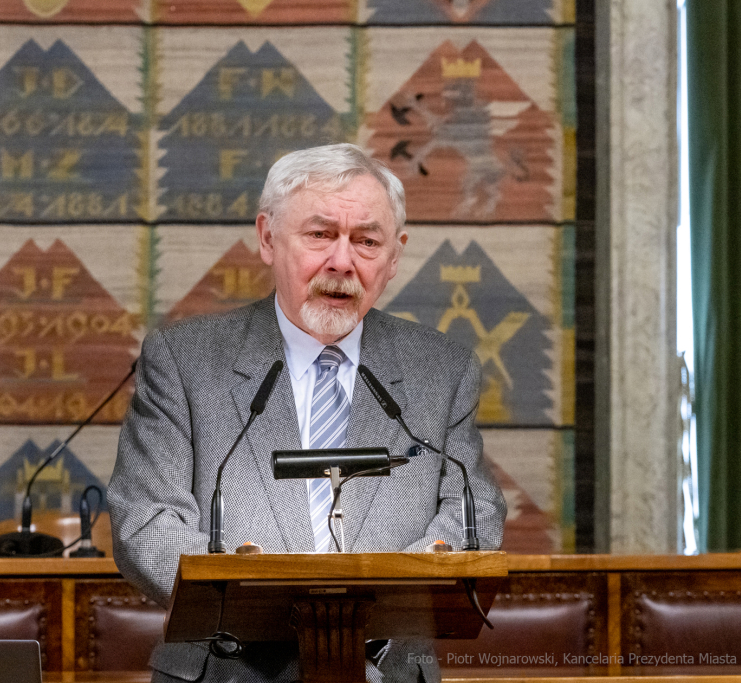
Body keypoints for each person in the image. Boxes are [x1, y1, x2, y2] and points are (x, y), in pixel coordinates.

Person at [108, 143, 507, 683]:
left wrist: (377, 605)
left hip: (386, 672)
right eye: (320, 235)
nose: (342, 262)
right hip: (230, 671)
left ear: (395, 255)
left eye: (366, 241)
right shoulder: (185, 361)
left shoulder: (441, 368)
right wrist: (269, 601)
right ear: (268, 237)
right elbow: (146, 523)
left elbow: (473, 512)